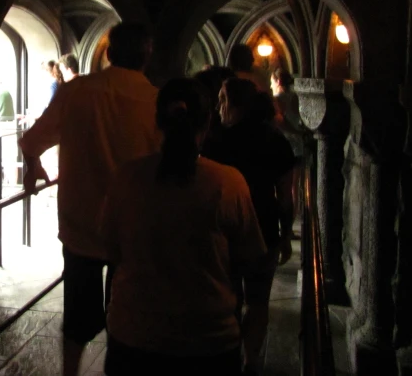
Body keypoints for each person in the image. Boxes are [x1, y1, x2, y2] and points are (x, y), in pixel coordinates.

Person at [19, 22, 162, 376]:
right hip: (132, 228)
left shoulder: (76, 91)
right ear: (148, 56)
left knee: (77, 315)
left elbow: (33, 140)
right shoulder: (157, 102)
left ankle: (70, 372)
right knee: (127, 316)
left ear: (109, 54)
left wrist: (34, 165)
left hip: (80, 223)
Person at [101, 78, 267, 375]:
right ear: (205, 126)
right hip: (208, 341)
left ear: (157, 123)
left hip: (134, 336)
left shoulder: (127, 178)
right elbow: (250, 261)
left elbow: (112, 254)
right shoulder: (227, 183)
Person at [202, 77, 296, 375]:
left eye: (221, 100)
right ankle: (251, 360)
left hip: (224, 231)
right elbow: (285, 196)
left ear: (232, 103)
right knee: (258, 302)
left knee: (228, 298)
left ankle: (228, 355)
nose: (217, 107)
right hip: (264, 227)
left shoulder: (215, 142)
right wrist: (284, 235)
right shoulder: (275, 140)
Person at [270, 68, 307, 221]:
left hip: (285, 146)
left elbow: (279, 123)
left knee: (282, 188)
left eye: (272, 82)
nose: (271, 85)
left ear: (278, 81)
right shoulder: (297, 97)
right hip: (299, 146)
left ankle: (286, 223)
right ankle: (292, 222)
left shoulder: (277, 99)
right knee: (295, 187)